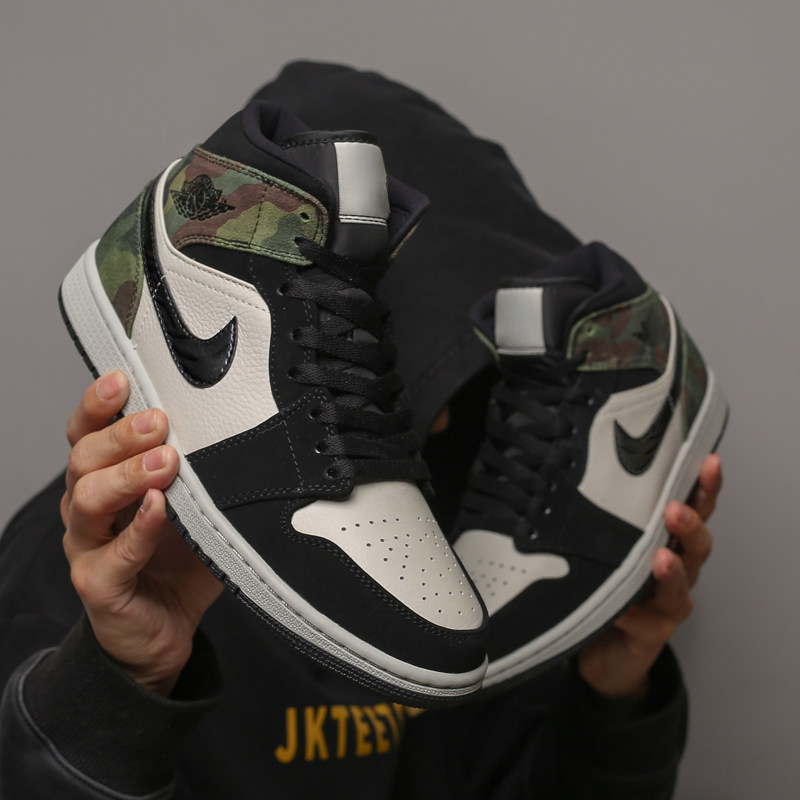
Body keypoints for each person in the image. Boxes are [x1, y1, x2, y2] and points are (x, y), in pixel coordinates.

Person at [0, 62, 721, 799]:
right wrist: (121, 682)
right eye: (405, 360)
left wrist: (612, 691)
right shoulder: (87, 559)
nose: (450, 417)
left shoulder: (460, 561)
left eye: (487, 387)